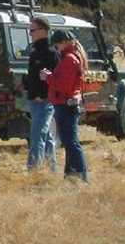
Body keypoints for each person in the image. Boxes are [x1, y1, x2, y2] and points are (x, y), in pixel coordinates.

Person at [40, 29, 89, 182]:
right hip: (68, 103)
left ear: (62, 43)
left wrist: (48, 77)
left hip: (65, 104)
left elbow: (63, 85)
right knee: (69, 142)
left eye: (56, 45)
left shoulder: (68, 59)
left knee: (71, 142)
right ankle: (71, 174)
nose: (56, 48)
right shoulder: (73, 57)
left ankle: (80, 175)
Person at [24, 16, 59, 172]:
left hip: (45, 101)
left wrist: (43, 94)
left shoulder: (51, 52)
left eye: (33, 30)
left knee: (37, 135)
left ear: (43, 31)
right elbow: (32, 76)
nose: (30, 33)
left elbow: (56, 78)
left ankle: (34, 170)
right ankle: (51, 168)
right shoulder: (34, 51)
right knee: (46, 136)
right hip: (34, 100)